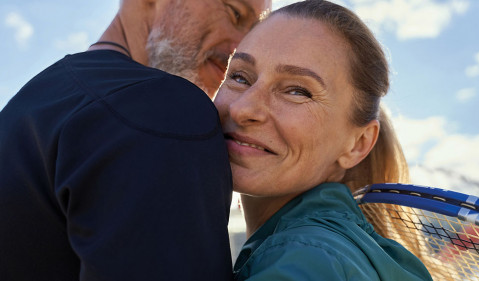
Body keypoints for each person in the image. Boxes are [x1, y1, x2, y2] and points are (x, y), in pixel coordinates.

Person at [0, 0, 270, 280]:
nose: (242, 47)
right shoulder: (164, 108)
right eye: (235, 12)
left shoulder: (27, 106)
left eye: (255, 31)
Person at [214, 0, 434, 280]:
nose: (243, 109)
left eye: (297, 91)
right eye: (240, 77)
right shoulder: (338, 251)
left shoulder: (306, 258)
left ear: (358, 144)